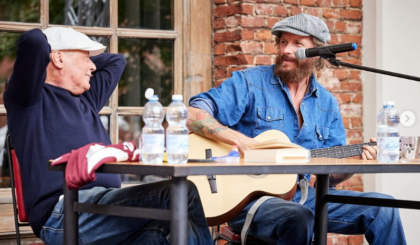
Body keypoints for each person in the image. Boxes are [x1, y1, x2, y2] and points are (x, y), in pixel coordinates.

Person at [188, 13, 406, 244]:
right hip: (251, 201)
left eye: (297, 44)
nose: (286, 50)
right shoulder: (249, 83)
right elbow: (191, 114)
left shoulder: (327, 103)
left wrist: (359, 160)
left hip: (304, 196)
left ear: (318, 53)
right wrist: (241, 141)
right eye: (283, 42)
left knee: (384, 209)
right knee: (299, 217)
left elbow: (329, 174)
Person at [4, 27, 212, 244]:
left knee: (158, 235)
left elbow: (116, 61)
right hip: (64, 215)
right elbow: (34, 40)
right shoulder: (28, 100)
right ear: (57, 57)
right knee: (181, 194)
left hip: (103, 210)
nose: (93, 66)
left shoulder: (87, 99)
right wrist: (60, 49)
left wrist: (76, 57)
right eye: (86, 57)